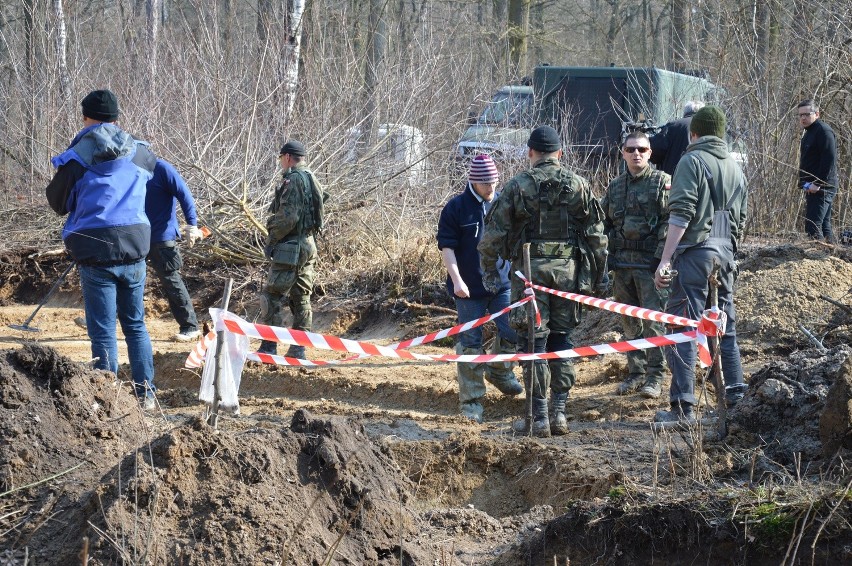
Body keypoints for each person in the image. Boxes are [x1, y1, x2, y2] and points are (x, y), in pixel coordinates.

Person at [479, 126, 608, 437]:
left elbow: (491, 237)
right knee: (562, 341)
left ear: (530, 152)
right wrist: (601, 277)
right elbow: (598, 237)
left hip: (528, 275)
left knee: (534, 344)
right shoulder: (578, 185)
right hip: (567, 273)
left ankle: (538, 417)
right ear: (560, 154)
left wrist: (489, 274)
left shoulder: (518, 186)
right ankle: (559, 412)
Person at [45, 89, 158, 409]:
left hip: (96, 248)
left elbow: (57, 202)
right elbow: (156, 177)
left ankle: (107, 399)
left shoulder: (79, 154)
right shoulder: (139, 151)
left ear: (86, 117)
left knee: (103, 327)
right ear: (116, 117)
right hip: (136, 244)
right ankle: (146, 395)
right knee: (135, 324)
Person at [653, 106, 749, 423]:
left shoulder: (691, 160)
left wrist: (666, 259)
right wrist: (724, 248)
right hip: (725, 252)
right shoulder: (736, 168)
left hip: (694, 253)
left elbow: (681, 213)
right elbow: (739, 221)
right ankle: (736, 399)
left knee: (683, 328)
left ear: (694, 133)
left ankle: (682, 406)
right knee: (726, 329)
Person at [437, 154, 523, 423]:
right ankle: (472, 403)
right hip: (469, 290)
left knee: (513, 331)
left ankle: (499, 370)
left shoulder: (501, 203)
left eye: (495, 182)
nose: (492, 188)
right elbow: (447, 248)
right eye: (487, 184)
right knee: (470, 344)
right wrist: (457, 280)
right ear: (474, 181)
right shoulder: (456, 208)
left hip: (502, 285)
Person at [601, 131, 671, 399]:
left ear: (650, 153)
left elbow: (670, 221)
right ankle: (636, 373)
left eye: (642, 149)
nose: (636, 154)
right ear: (623, 153)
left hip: (650, 267)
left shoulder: (662, 183)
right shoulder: (616, 186)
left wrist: (660, 259)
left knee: (654, 322)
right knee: (629, 323)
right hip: (622, 266)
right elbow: (603, 222)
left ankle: (655, 376)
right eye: (631, 149)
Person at [257, 140, 327, 359]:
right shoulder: (310, 177)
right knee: (301, 296)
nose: (281, 163)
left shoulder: (293, 179)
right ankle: (298, 349)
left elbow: (289, 216)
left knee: (272, 295)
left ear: (287, 157)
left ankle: (269, 346)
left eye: (281, 159)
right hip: (309, 245)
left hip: (292, 246)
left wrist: (272, 239)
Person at [145, 159, 205, 342]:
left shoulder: (161, 168)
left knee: (171, 280)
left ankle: (190, 326)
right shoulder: (128, 169)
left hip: (161, 236)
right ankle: (102, 320)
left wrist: (192, 224)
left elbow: (184, 194)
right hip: (136, 235)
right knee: (122, 277)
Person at [797, 99, 838, 241]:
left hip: (822, 187)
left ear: (817, 114)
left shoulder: (823, 131)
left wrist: (817, 183)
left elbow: (829, 159)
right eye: (801, 115)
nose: (803, 118)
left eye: (807, 114)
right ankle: (831, 258)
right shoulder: (809, 132)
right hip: (813, 186)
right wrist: (805, 183)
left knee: (813, 225)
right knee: (824, 225)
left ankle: (818, 258)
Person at [650, 101, 705, 175]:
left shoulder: (674, 125)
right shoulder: (710, 128)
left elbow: (656, 149)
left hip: (674, 176)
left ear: (685, 112)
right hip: (702, 175)